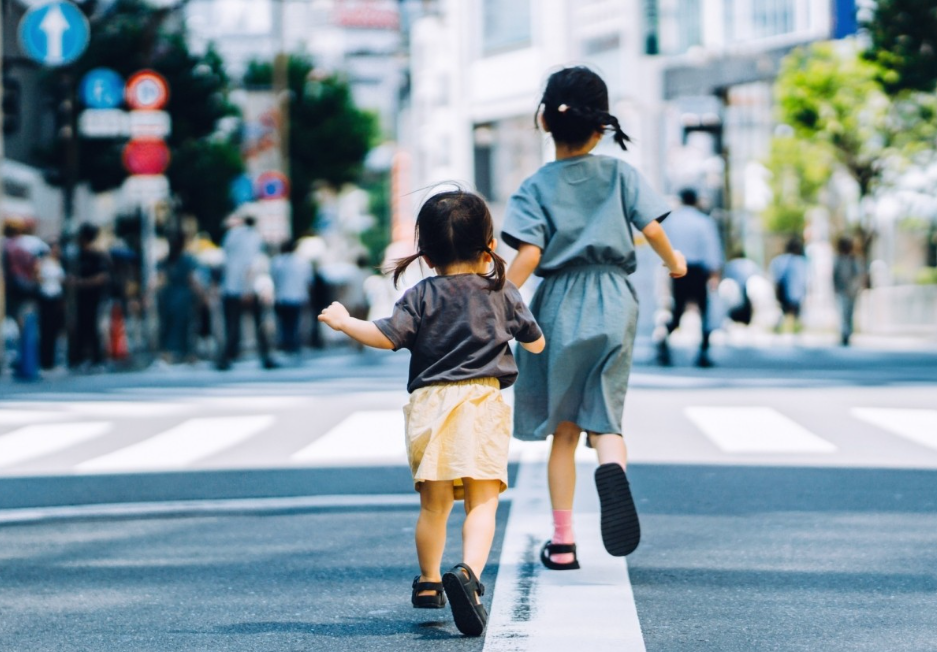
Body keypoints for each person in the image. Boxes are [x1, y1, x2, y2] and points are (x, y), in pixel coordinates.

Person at [318, 191, 545, 637]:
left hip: (430, 406)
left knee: (434, 505)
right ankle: (468, 577)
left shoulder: (419, 295)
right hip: (481, 403)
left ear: (426, 251)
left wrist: (346, 322)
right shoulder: (502, 291)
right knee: (483, 500)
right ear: (489, 244)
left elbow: (385, 336)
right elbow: (535, 342)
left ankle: (426, 582)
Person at [501, 67, 686, 571]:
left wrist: (498, 299)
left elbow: (529, 255)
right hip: (615, 298)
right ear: (603, 126)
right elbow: (651, 228)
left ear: (544, 120)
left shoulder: (535, 185)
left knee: (562, 429)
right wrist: (675, 263)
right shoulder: (622, 174)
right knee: (605, 416)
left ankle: (563, 542)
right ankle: (611, 466)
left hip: (560, 302)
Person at [656, 188, 724, 367]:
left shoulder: (672, 221)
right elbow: (711, 248)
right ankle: (703, 352)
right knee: (703, 311)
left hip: (677, 267)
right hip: (697, 270)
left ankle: (664, 338)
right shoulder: (703, 221)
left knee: (677, 309)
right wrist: (714, 272)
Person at [218, 216, 275, 370]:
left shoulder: (230, 236)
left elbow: (225, 262)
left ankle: (227, 357)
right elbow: (251, 265)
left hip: (230, 287)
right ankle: (265, 356)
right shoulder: (253, 237)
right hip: (248, 287)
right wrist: (247, 289)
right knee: (259, 324)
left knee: (232, 325)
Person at [68, 223, 111, 369]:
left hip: (95, 298)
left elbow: (103, 277)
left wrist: (82, 283)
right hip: (81, 298)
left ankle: (97, 359)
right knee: (81, 326)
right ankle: (80, 358)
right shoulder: (78, 255)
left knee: (94, 327)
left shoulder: (97, 255)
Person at [158, 233, 201, 363]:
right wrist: (202, 294)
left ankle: (167, 353)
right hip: (183, 296)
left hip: (169, 296)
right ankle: (188, 354)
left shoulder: (166, 260)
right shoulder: (187, 260)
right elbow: (192, 279)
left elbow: (160, 279)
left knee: (168, 325)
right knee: (186, 325)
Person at [270, 240, 311, 354]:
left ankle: (285, 342)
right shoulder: (301, 262)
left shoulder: (277, 261)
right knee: (294, 322)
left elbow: (274, 278)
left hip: (281, 296)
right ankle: (293, 343)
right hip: (297, 296)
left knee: (283, 322)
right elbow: (308, 281)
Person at [770, 236, 809, 333]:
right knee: (793, 312)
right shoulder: (802, 261)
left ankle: (785, 328)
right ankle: (796, 329)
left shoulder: (780, 260)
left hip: (784, 291)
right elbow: (805, 279)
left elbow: (776, 277)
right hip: (795, 292)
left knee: (784, 312)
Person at [37, 241, 65, 370]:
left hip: (56, 298)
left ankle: (52, 360)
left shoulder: (58, 263)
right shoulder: (42, 262)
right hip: (45, 298)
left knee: (55, 329)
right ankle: (45, 360)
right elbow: (37, 278)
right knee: (46, 330)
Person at [833, 235, 864, 346]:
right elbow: (834, 275)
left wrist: (854, 288)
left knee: (849, 313)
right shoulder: (838, 259)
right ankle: (844, 333)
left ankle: (848, 333)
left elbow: (858, 276)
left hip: (851, 291)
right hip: (842, 291)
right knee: (843, 312)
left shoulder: (854, 259)